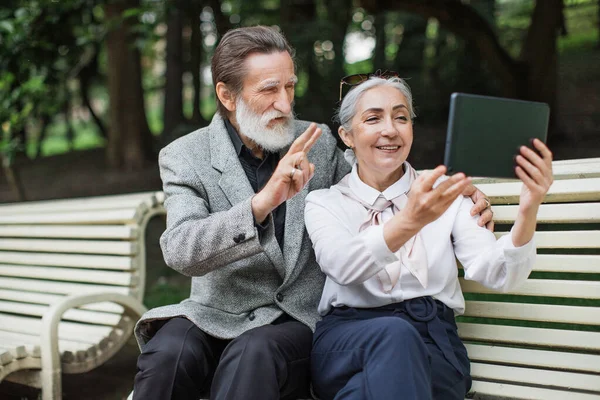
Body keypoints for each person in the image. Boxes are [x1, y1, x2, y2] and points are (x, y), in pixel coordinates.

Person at [132, 27, 494, 400]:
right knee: (168, 354)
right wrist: (261, 204)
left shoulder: (316, 141)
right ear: (227, 95)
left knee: (255, 351)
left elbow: (377, 164)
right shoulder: (185, 156)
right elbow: (179, 250)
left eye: (290, 87)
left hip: (294, 320)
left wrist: (447, 188)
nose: (286, 104)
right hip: (215, 313)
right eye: (270, 90)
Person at [304, 74, 553, 400]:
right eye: (373, 118)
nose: (390, 129)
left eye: (401, 117)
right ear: (347, 135)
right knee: (395, 336)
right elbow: (341, 265)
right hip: (347, 342)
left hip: (433, 339)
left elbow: (498, 273)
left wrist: (528, 208)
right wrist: (410, 221)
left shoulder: (448, 193)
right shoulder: (324, 202)